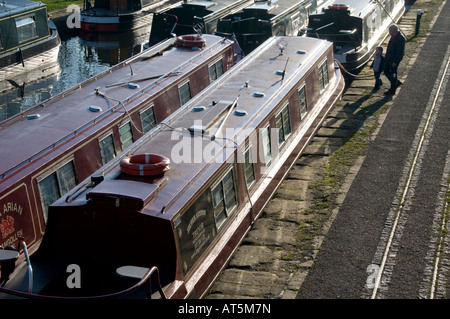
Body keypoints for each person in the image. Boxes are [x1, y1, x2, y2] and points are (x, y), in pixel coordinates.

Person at [384, 24, 405, 95]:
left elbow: (400, 52)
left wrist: (395, 61)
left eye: (390, 30)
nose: (389, 32)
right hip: (389, 59)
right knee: (386, 71)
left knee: (393, 74)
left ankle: (392, 89)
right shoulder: (394, 37)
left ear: (393, 30)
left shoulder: (400, 39)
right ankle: (396, 82)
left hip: (393, 61)